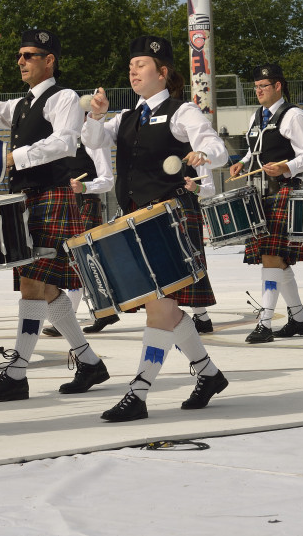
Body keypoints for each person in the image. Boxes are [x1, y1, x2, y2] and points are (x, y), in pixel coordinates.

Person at [0, 29, 108, 402]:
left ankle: (17, 372)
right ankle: (89, 363)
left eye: (28, 55)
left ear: (49, 60)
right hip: (26, 199)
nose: (20, 61)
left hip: (51, 196)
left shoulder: (64, 97)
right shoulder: (22, 105)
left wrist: (14, 157)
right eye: (20, 55)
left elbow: (66, 141)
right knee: (48, 289)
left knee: (31, 284)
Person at [82, 35, 230, 422]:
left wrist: (203, 153)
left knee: (159, 308)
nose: (133, 70)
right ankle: (208, 374)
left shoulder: (183, 112)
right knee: (161, 308)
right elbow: (91, 141)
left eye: (142, 65)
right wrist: (96, 115)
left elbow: (218, 147)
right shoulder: (126, 117)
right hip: (137, 221)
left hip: (169, 217)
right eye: (131, 66)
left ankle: (139, 391)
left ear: (163, 73)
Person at [229, 63, 303, 344]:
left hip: (283, 191)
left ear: (278, 86)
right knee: (277, 259)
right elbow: (254, 151)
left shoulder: (293, 115)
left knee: (270, 256)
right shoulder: (258, 116)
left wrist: (286, 166)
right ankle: (300, 319)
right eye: (255, 87)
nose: (258, 91)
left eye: (263, 87)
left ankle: (264, 322)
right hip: (259, 193)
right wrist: (242, 163)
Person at [44, 142, 116, 337]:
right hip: (67, 205)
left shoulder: (94, 140)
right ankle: (106, 311)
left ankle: (67, 317)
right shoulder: (62, 140)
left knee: (79, 261)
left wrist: (85, 186)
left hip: (86, 203)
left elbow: (107, 180)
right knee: (82, 261)